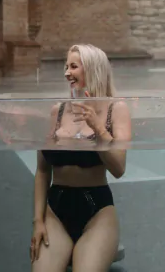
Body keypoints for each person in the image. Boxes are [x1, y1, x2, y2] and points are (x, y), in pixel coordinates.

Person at [30, 44, 132, 272]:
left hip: (97, 210)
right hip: (55, 210)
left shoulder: (116, 109)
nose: (67, 72)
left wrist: (98, 129)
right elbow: (43, 171)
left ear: (93, 69)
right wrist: (37, 220)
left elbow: (119, 168)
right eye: (66, 66)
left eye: (73, 66)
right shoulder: (57, 110)